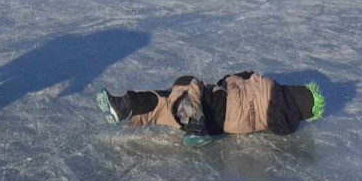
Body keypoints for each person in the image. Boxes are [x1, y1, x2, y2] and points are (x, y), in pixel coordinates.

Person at [96, 71, 322, 142]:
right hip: (221, 126)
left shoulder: (266, 85)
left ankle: (194, 121)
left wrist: (223, 84)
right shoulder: (277, 123)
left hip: (219, 107)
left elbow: (235, 78)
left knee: (186, 83)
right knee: (170, 105)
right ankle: (127, 111)